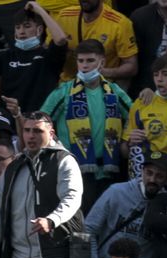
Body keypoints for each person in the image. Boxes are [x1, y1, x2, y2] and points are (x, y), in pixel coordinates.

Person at [0, 112, 85, 258]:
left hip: (58, 257)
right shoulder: (12, 168)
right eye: (26, 130)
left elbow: (72, 199)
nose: (31, 136)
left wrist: (51, 220)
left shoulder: (64, 161)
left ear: (51, 133)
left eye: (37, 131)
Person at [41, 40, 133, 206]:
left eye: (90, 60)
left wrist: (125, 140)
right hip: (74, 169)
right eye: (80, 60)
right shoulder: (64, 91)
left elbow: (136, 116)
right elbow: (41, 122)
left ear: (102, 62)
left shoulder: (113, 91)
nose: (84, 65)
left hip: (108, 170)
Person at [0, 2, 67, 119]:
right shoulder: (6, 56)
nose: (21, 31)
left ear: (40, 29)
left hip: (39, 122)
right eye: (18, 27)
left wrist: (40, 10)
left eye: (27, 26)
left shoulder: (48, 56)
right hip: (9, 123)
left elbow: (61, 39)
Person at [52, 0, 137, 84]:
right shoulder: (64, 16)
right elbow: (50, 53)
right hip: (67, 84)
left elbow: (131, 66)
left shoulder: (120, 24)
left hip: (101, 86)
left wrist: (100, 72)